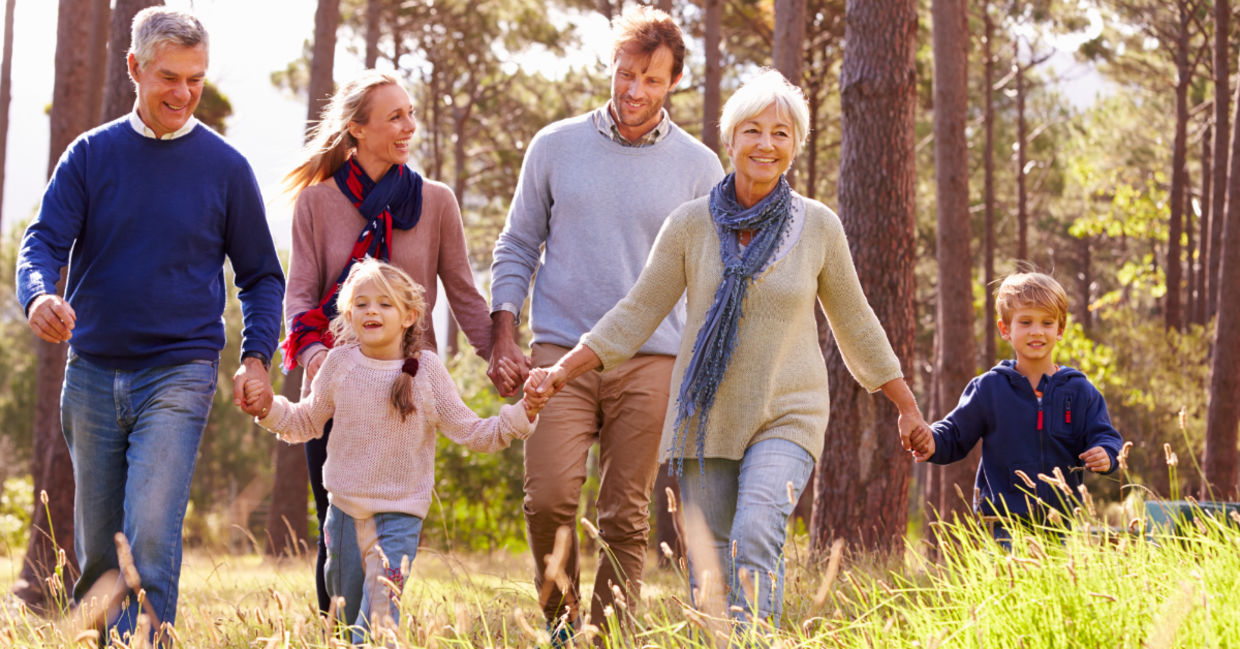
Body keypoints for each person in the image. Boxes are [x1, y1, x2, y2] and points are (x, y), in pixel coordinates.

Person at [525, 70, 930, 632]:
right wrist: (562, 369)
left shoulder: (818, 226)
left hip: (788, 412)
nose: (766, 144)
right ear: (730, 139)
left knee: (757, 528)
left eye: (781, 133)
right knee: (711, 561)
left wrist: (905, 404)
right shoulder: (690, 225)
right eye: (753, 130)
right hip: (708, 416)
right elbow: (638, 312)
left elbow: (856, 321)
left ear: (795, 145)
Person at [14, 7, 283, 643]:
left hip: (180, 371)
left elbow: (261, 276)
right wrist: (35, 298)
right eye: (169, 77)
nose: (184, 93)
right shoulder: (90, 155)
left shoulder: (225, 168)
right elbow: (43, 242)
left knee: (152, 537)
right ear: (134, 68)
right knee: (102, 553)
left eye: (195, 79)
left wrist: (255, 357)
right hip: (92, 376)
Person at [487, 5, 725, 637]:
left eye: (651, 79)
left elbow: (711, 276)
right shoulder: (555, 145)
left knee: (624, 515)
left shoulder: (700, 168)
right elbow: (516, 244)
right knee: (549, 498)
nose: (633, 91)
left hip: (653, 359)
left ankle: (609, 633)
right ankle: (561, 626)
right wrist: (503, 333)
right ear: (611, 69)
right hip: (558, 354)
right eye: (625, 74)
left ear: (673, 81)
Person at [281, 70, 509, 620]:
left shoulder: (436, 202)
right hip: (336, 392)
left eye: (411, 113)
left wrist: (498, 356)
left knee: (395, 529)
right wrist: (323, 363)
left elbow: (463, 292)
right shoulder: (315, 204)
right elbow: (300, 298)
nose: (410, 126)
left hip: (408, 390)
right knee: (336, 530)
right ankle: (338, 631)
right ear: (357, 129)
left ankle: (379, 629)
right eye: (396, 117)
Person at [249, 259, 539, 642]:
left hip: (399, 519)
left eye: (385, 304)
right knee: (349, 620)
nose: (372, 311)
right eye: (362, 303)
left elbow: (473, 431)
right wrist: (269, 408)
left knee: (380, 622)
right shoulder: (339, 364)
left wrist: (524, 412)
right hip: (345, 516)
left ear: (409, 316)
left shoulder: (427, 372)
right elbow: (306, 421)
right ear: (349, 314)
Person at [909, 272, 1122, 542]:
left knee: (1056, 584)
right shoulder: (989, 389)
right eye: (1026, 322)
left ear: (1060, 329)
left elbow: (1105, 435)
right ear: (1005, 329)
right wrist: (931, 442)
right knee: (1011, 584)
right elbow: (953, 434)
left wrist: (1106, 454)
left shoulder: (1079, 391)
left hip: (1062, 524)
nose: (1036, 331)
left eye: (1046, 322)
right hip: (1005, 524)